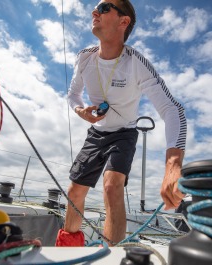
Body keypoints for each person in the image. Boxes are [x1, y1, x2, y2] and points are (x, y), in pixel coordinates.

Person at [55, 0, 187, 247]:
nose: (95, 12)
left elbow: (173, 109)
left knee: (112, 186)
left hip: (125, 132)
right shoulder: (84, 58)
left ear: (123, 21)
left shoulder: (136, 63)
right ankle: (67, 250)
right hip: (96, 132)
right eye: (95, 8)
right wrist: (81, 111)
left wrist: (172, 166)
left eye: (104, 8)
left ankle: (112, 256)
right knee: (74, 192)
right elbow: (73, 94)